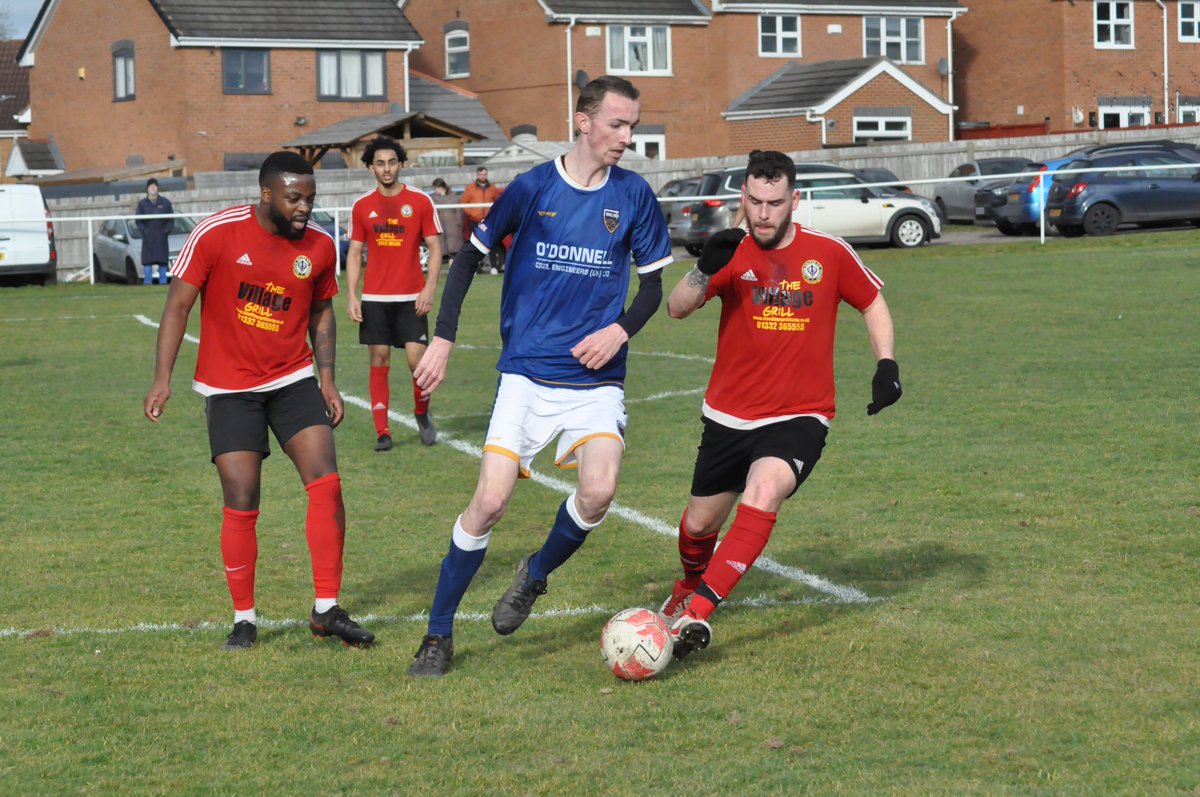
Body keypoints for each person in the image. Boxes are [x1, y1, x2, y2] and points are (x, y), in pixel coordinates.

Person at [406, 75, 673, 677]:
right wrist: (443, 337)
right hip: (526, 372)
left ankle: (534, 574)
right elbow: (470, 255)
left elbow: (654, 284)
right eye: (617, 124)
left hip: (594, 379)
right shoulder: (531, 187)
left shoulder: (633, 196)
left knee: (600, 490)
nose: (627, 137)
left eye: (633, 126)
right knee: (489, 502)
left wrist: (621, 329)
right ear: (583, 121)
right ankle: (437, 635)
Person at [659, 150, 902, 660]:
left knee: (765, 490)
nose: (763, 213)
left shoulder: (829, 253)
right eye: (754, 201)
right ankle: (689, 583)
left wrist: (886, 364)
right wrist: (704, 267)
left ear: (794, 199)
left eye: (774, 202)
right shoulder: (731, 251)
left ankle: (697, 613)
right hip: (728, 414)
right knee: (700, 524)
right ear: (742, 198)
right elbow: (677, 308)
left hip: (799, 415)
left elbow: (872, 301)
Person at [143, 151, 375, 652]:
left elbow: (322, 315)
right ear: (266, 194)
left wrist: (328, 379)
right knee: (243, 497)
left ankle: (326, 610)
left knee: (327, 483)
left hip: (292, 379)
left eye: (310, 198)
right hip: (229, 387)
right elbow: (178, 304)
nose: (304, 208)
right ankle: (244, 619)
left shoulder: (317, 247)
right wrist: (163, 378)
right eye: (294, 198)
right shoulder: (217, 233)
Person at [344, 136, 443, 451]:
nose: (386, 168)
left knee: (419, 363)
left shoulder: (420, 201)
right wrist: (352, 295)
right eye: (379, 163)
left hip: (412, 296)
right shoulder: (361, 206)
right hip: (375, 298)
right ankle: (382, 432)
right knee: (379, 357)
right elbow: (355, 251)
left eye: (391, 162)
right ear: (371, 168)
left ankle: (421, 414)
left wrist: (429, 287)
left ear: (400, 164)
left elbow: (436, 247)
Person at [460, 166, 503, 274]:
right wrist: (471, 213)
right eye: (480, 174)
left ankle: (494, 267)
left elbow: (497, 202)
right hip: (474, 220)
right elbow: (464, 203)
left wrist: (493, 215)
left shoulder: (492, 188)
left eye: (484, 174)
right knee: (475, 245)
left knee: (491, 244)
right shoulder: (470, 188)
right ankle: (474, 268)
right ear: (477, 175)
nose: (482, 176)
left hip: (488, 221)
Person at [136, 178, 174, 286]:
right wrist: (145, 231)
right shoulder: (142, 204)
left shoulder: (165, 203)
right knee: (147, 261)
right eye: (150, 186)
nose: (153, 188)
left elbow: (171, 220)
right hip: (148, 239)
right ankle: (148, 283)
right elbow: (138, 221)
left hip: (161, 238)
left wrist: (166, 230)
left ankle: (163, 282)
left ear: (157, 188)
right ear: (147, 189)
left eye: (154, 186)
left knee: (162, 261)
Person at [430, 178, 462, 260]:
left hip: (453, 227)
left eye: (435, 188)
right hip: (440, 226)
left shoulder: (454, 198)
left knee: (454, 251)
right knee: (441, 250)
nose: (435, 190)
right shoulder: (433, 198)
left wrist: (459, 224)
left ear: (440, 187)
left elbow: (459, 212)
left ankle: (453, 270)